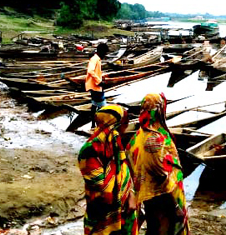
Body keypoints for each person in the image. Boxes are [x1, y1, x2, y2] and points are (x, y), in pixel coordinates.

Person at [128, 93, 190, 235]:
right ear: (159, 110)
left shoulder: (138, 135)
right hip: (163, 196)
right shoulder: (153, 139)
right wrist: (174, 205)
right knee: (165, 228)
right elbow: (160, 173)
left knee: (154, 226)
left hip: (149, 193)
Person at [78, 104, 138, 235]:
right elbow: (100, 187)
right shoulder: (89, 150)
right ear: (114, 124)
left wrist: (131, 194)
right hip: (102, 213)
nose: (127, 126)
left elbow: (124, 170)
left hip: (124, 211)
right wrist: (124, 193)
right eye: (125, 122)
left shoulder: (115, 142)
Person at [86, 43, 109, 127]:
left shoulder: (97, 59)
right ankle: (99, 124)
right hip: (95, 85)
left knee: (95, 104)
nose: (105, 55)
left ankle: (93, 124)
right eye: (105, 53)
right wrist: (99, 81)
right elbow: (90, 71)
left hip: (96, 86)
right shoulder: (94, 59)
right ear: (101, 51)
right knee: (101, 105)